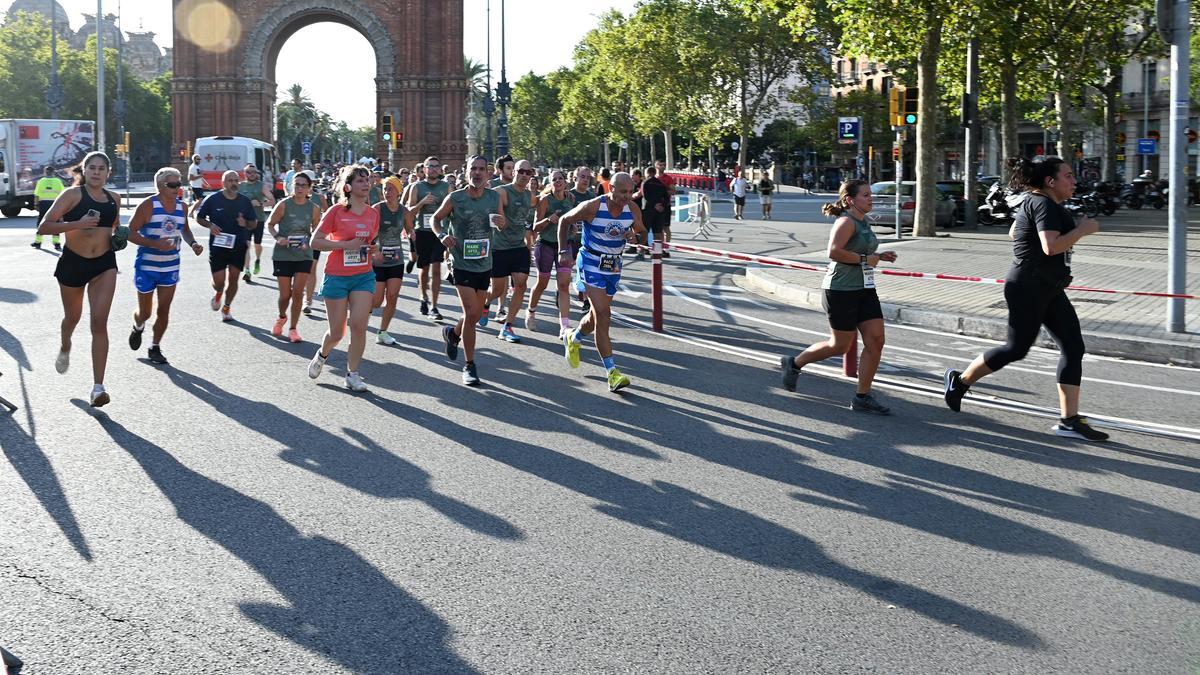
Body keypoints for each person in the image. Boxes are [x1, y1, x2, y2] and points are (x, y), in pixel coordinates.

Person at [944, 156, 1108, 441]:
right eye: (1068, 175)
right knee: (1016, 349)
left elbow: (1013, 232)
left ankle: (1069, 420)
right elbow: (1050, 246)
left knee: (1073, 347)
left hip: (1049, 287)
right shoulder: (1043, 203)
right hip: (1028, 287)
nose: (1074, 180)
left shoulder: (1040, 203)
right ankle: (960, 381)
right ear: (1050, 181)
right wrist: (1081, 231)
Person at [780, 179, 897, 415]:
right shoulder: (846, 221)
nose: (870, 198)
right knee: (839, 346)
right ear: (850, 200)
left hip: (864, 289)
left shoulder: (864, 222)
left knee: (876, 340)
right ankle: (794, 364)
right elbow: (833, 252)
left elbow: (858, 250)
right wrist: (866, 259)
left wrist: (879, 256)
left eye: (870, 194)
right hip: (840, 291)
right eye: (865, 195)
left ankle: (862, 396)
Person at [37, 152, 121, 406]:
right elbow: (44, 226)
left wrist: (120, 237)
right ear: (85, 171)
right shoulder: (72, 195)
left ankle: (98, 388)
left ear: (108, 172)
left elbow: (114, 227)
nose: (96, 172)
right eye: (91, 168)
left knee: (99, 322)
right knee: (72, 317)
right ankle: (65, 345)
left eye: (101, 168)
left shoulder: (114, 199)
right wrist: (77, 224)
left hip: (104, 264)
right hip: (73, 263)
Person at [558, 172, 647, 393]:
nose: (628, 196)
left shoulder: (632, 209)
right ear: (611, 189)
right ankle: (612, 373)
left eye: (630, 191)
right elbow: (564, 220)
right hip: (590, 261)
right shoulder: (593, 206)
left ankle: (574, 337)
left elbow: (643, 233)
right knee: (604, 315)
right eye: (623, 192)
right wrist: (562, 251)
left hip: (613, 265)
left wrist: (636, 239)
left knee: (597, 315)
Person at [307, 164, 380, 392]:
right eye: (360, 180)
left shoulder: (373, 214)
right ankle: (322, 354)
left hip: (363, 275)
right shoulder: (336, 212)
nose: (365, 184)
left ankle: (353, 374)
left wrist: (371, 249)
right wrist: (344, 245)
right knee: (337, 332)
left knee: (359, 326)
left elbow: (369, 243)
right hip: (337, 276)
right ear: (348, 186)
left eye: (367, 180)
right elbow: (315, 241)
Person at [431, 155, 503, 386]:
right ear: (466, 172)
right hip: (461, 261)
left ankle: (453, 334)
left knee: (473, 313)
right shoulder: (456, 197)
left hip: (484, 262)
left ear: (488, 173)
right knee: (472, 313)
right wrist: (442, 235)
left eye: (482, 169)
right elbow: (436, 218)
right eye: (474, 168)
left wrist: (502, 224)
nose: (478, 173)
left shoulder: (494, 197)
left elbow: (503, 222)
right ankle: (469, 365)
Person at [126, 167, 202, 365]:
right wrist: (154, 243)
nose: (178, 188)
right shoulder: (148, 206)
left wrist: (193, 243)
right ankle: (138, 325)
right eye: (173, 184)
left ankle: (155, 347)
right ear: (160, 185)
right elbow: (130, 233)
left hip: (170, 266)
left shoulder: (182, 207)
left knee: (164, 310)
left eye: (179, 183)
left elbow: (184, 229)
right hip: (147, 266)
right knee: (146, 312)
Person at [266, 169, 320, 343]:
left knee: (297, 293)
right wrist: (278, 237)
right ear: (291, 186)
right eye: (297, 185)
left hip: (303, 254)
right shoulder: (283, 205)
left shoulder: (314, 209)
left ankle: (293, 329)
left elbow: (317, 231)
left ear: (309, 189)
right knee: (284, 295)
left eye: (304, 186)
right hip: (283, 254)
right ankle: (282, 317)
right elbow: (271, 224)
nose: (300, 188)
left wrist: (310, 241)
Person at [196, 170, 258, 322]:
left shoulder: (244, 201)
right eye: (230, 180)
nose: (234, 183)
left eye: (236, 180)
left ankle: (227, 308)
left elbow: (253, 223)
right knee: (219, 283)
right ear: (223, 183)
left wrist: (246, 224)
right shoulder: (212, 199)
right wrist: (210, 225)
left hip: (238, 245)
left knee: (234, 280)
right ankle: (218, 293)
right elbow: (199, 217)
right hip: (218, 246)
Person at [483, 158, 534, 343]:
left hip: (518, 246)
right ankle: (486, 303)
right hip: (499, 248)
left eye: (528, 173)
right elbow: (487, 193)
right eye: (521, 171)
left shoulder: (528, 195)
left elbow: (540, 200)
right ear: (514, 172)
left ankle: (507, 327)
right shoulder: (503, 192)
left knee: (521, 284)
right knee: (496, 291)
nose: (524, 175)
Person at [528, 169, 576, 334]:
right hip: (545, 245)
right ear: (550, 183)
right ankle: (531, 312)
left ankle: (564, 325)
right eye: (554, 179)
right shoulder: (545, 200)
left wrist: (573, 226)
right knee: (542, 283)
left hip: (564, 246)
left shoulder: (570, 199)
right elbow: (535, 227)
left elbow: (571, 220)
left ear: (565, 181)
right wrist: (548, 220)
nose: (558, 181)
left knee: (564, 285)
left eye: (560, 178)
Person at [406, 156, 452, 320]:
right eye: (430, 166)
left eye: (436, 166)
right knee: (424, 268)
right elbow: (409, 211)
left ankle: (434, 306)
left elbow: (453, 209)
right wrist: (422, 203)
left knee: (437, 268)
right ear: (424, 169)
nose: (433, 169)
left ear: (440, 170)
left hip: (439, 232)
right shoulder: (417, 187)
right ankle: (423, 297)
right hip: (422, 231)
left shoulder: (446, 187)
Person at [372, 175, 410, 345]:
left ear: (399, 192)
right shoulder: (377, 209)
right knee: (377, 301)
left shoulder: (404, 211)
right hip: (379, 260)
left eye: (390, 188)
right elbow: (369, 233)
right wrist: (375, 250)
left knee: (393, 296)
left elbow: (409, 229)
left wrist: (412, 234)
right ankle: (356, 312)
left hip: (396, 259)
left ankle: (383, 331)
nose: (387, 192)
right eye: (385, 189)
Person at [238, 163, 275, 281]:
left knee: (257, 245)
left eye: (254, 172)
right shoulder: (240, 186)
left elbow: (272, 201)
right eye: (249, 172)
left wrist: (260, 204)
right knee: (246, 245)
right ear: (245, 174)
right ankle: (247, 271)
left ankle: (258, 260)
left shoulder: (261, 186)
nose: (252, 174)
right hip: (245, 221)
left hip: (258, 219)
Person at [30, 166, 65, 250]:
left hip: (43, 204)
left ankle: (38, 242)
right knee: (55, 223)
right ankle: (57, 244)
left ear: (45, 172)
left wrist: (36, 205)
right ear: (53, 172)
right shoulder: (58, 181)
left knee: (41, 222)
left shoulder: (41, 181)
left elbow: (37, 194)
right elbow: (63, 195)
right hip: (54, 204)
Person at [640, 166, 671, 259]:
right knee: (657, 232)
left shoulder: (645, 182)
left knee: (644, 231)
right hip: (660, 211)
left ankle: (641, 251)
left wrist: (654, 205)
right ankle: (657, 252)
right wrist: (661, 206)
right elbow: (666, 197)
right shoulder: (661, 183)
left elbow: (645, 196)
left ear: (648, 173)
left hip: (648, 210)